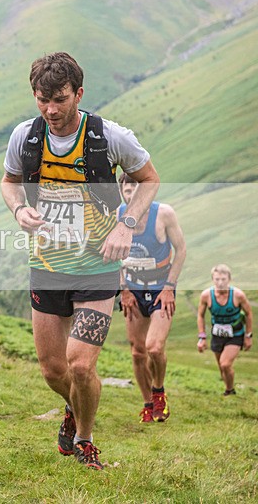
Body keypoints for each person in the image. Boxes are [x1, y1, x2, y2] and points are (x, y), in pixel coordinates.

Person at [1, 52, 160, 470]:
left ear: (78, 93)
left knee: (81, 364)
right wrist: (19, 211)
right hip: (47, 266)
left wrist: (126, 225)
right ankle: (73, 407)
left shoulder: (109, 136)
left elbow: (149, 179)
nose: (51, 109)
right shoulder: (26, 137)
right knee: (54, 371)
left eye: (60, 98)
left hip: (97, 268)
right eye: (42, 99)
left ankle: (85, 440)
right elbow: (9, 182)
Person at [117, 173, 186, 423]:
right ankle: (147, 403)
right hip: (133, 290)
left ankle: (159, 391)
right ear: (122, 193)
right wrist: (123, 289)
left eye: (137, 187)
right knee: (137, 352)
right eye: (127, 189)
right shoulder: (116, 216)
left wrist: (169, 286)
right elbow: (113, 256)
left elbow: (181, 249)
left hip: (160, 289)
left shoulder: (164, 214)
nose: (132, 193)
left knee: (154, 347)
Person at [196, 264, 253, 395]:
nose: (220, 283)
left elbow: (249, 313)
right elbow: (200, 315)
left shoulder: (238, 295)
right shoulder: (206, 295)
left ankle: (230, 391)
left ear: (229, 279)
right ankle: (228, 388)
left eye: (223, 279)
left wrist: (248, 336)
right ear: (212, 280)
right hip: (217, 335)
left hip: (235, 334)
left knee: (225, 364)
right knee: (222, 369)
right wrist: (202, 337)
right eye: (217, 279)